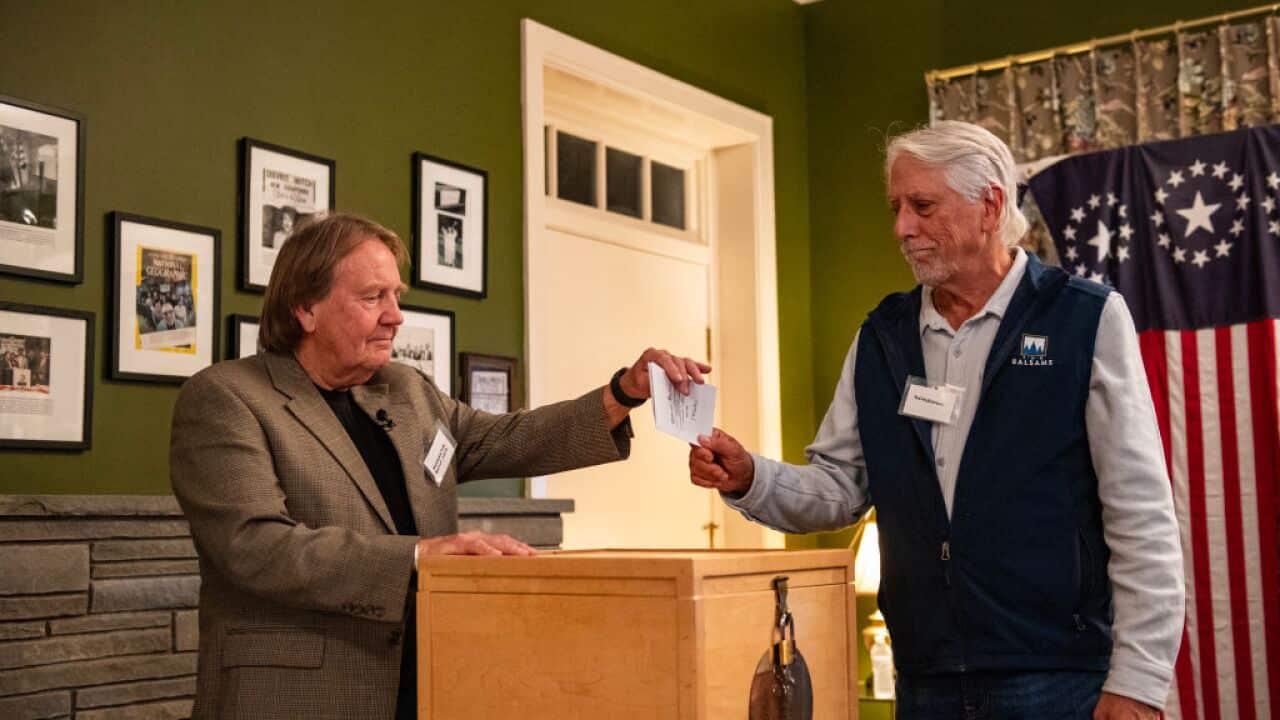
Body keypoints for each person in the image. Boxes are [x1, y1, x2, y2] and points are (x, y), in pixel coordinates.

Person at [689, 121, 1183, 719]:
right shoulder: (882, 337)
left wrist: (1139, 680)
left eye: (922, 205)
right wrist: (749, 478)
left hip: (1056, 680)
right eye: (896, 207)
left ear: (990, 205)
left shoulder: (1085, 318)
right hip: (925, 679)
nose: (901, 227)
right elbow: (841, 488)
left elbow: (1141, 513)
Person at [171, 212, 707, 720]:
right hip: (298, 695)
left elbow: (509, 439)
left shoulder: (405, 390)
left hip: (427, 680)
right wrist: (421, 555)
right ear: (305, 309)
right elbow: (254, 547)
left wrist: (623, 392)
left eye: (395, 296)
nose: (395, 315)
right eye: (372, 297)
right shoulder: (226, 398)